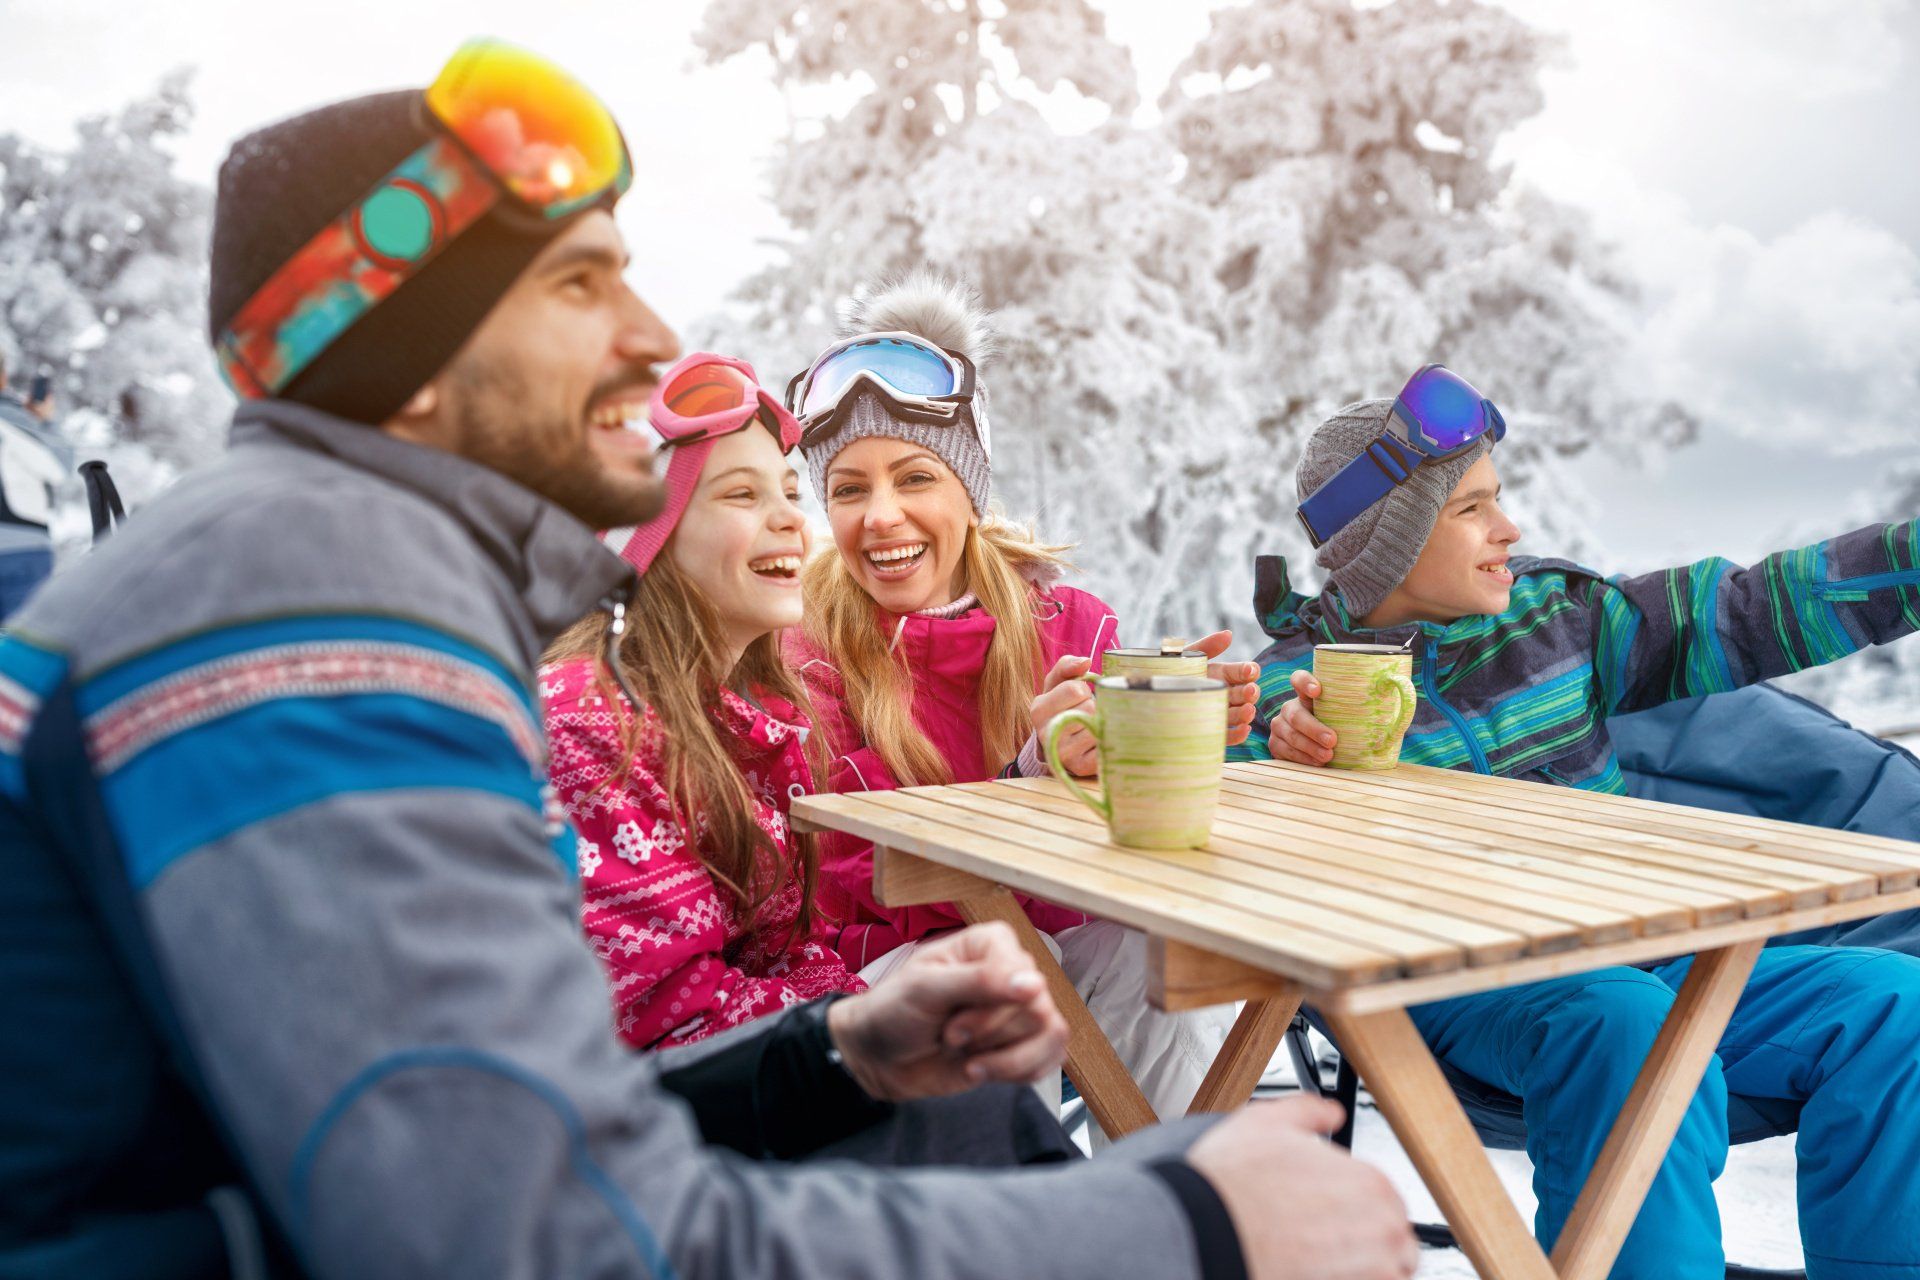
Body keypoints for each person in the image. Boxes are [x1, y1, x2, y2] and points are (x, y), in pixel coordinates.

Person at [0, 40, 1419, 1280]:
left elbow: (492, 1129)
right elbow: (527, 1242)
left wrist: (826, 1051)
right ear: (411, 366)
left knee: (951, 1106)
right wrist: (1180, 1234)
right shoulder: (305, 624)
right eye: (578, 283)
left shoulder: (318, 568)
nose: (650, 334)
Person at [1237, 365, 1920, 1280]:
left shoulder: (1563, 624)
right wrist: (1284, 766)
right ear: (1389, 542)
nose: (1509, 529)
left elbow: (1755, 606)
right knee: (1623, 1019)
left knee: (1890, 1004)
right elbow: (1218, 831)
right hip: (1454, 1005)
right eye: (1471, 508)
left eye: (1500, 498)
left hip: (1644, 964)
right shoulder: (1299, 688)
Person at [785, 272, 1260, 1129]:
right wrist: (1031, 782)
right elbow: (854, 871)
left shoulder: (1068, 624)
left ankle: (1170, 1213)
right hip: (891, 972)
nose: (880, 517)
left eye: (914, 478)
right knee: (1000, 961)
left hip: (1053, 940)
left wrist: (1173, 738)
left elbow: (1135, 840)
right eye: (848, 489)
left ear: (969, 487)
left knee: (1159, 946)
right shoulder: (806, 652)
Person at [543, 352, 864, 1049]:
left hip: (740, 1076)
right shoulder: (586, 719)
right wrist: (869, 1036)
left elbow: (784, 955)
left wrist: (880, 1011)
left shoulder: (746, 724)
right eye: (741, 496)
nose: (790, 521)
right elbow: (663, 1016)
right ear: (645, 539)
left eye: (789, 493)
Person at [0, 354, 66, 619]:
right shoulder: (10, 418)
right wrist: (43, 421)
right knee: (22, 644)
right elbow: (59, 465)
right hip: (19, 549)